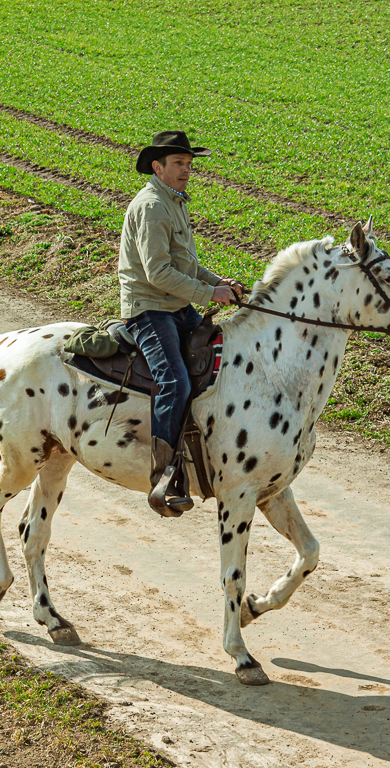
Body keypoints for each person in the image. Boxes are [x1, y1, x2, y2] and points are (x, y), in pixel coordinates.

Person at [119, 130, 244, 514]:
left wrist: (217, 282)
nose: (187, 170)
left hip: (175, 306)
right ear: (158, 167)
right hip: (151, 308)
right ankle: (164, 475)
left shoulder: (174, 202)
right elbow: (158, 273)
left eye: (189, 164)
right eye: (179, 163)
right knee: (175, 381)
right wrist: (211, 295)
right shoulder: (153, 206)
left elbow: (185, 264)